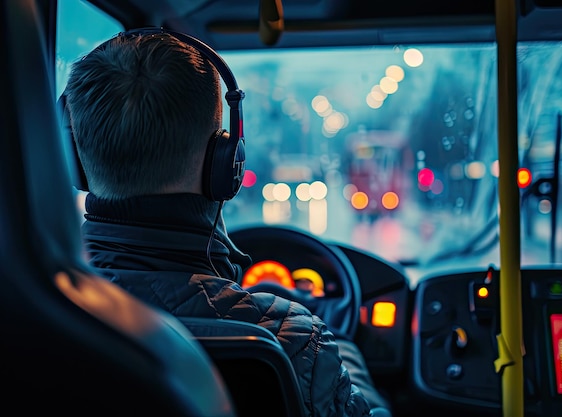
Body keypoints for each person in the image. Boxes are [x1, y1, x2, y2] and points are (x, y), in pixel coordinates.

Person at [63, 28, 391, 417]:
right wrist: (337, 343)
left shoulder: (39, 312)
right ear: (226, 162)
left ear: (75, 156)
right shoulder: (295, 342)